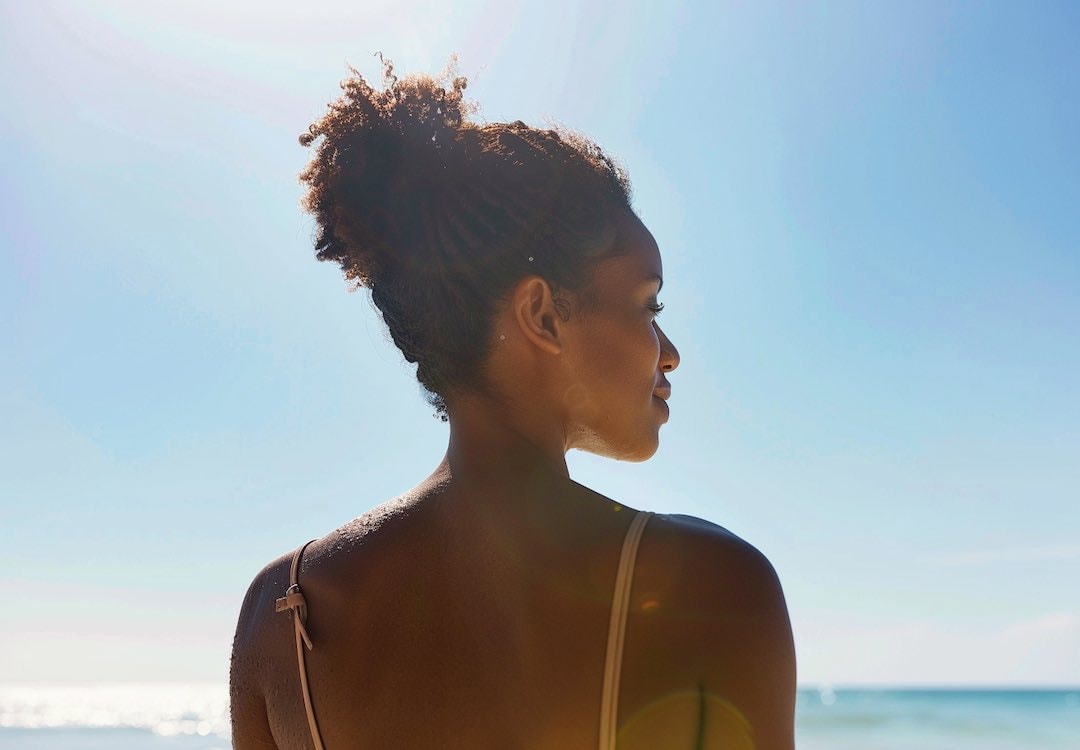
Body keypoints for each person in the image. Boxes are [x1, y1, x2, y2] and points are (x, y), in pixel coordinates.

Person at [229, 60, 795, 749]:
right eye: (648, 305)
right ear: (544, 315)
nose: (668, 350)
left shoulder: (280, 612)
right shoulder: (715, 589)